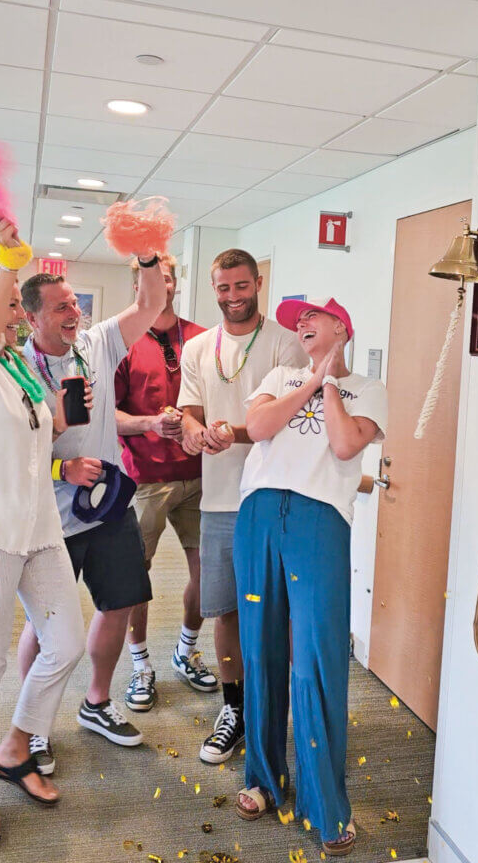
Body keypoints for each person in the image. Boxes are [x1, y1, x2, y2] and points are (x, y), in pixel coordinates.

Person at [232, 298, 388, 857]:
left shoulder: (369, 390)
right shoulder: (281, 375)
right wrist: (311, 381)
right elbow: (258, 425)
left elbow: (345, 445)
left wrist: (331, 383)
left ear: (341, 328)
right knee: (260, 650)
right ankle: (263, 779)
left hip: (319, 521)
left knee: (317, 658)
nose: (301, 323)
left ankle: (326, 804)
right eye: (298, 319)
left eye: (312, 317)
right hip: (259, 514)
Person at [17, 248, 167, 773]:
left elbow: (150, 303)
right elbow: (6, 454)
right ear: (31, 317)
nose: (73, 312)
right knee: (45, 624)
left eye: (74, 303)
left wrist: (147, 257)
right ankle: (32, 725)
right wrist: (63, 469)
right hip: (47, 518)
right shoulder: (14, 369)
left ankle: (96, 703)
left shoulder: (97, 342)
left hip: (107, 508)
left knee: (118, 603)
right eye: (60, 307)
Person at [0, 213, 85, 849]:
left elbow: (37, 438)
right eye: (13, 304)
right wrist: (9, 259)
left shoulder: (16, 364)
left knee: (65, 642)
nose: (20, 314)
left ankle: (16, 745)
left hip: (40, 527)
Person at [179, 249, 307, 764]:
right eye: (223, 288)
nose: (233, 296)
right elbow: (190, 410)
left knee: (278, 612)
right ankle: (234, 709)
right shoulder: (197, 347)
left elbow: (288, 421)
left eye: (241, 286)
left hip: (273, 496)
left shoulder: (286, 344)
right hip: (218, 501)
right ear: (214, 289)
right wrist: (193, 431)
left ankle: (273, 710)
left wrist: (231, 432)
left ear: (257, 283)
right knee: (225, 610)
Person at [115, 254, 217, 712]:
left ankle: (185, 651)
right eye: (153, 277)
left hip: (201, 475)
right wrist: (149, 424)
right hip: (146, 479)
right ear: (138, 284)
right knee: (136, 577)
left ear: (175, 284)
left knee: (208, 574)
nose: (163, 284)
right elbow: (106, 414)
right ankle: (140, 665)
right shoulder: (121, 340)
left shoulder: (202, 337)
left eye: (169, 277)